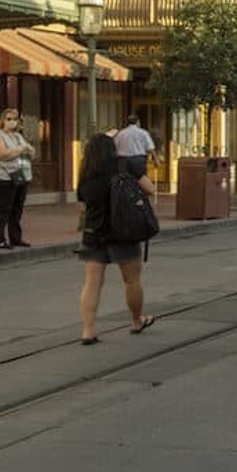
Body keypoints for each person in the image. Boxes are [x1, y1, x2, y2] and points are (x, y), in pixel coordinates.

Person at [75, 134, 156, 344]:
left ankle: (88, 330)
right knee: (132, 280)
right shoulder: (124, 164)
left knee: (92, 282)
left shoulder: (86, 172)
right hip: (123, 231)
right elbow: (149, 188)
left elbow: (82, 202)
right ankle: (137, 320)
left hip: (94, 233)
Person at [0, 108, 36, 249]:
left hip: (21, 176)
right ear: (2, 120)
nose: (12, 122)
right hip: (4, 177)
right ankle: (0, 240)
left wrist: (30, 151)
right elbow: (0, 154)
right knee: (4, 209)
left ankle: (16, 238)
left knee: (17, 209)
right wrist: (20, 150)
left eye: (14, 119)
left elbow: (30, 155)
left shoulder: (18, 137)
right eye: (8, 119)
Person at [114, 114, 157, 179]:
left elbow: (114, 147)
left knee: (124, 180)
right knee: (140, 180)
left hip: (123, 161)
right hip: (138, 160)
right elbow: (150, 148)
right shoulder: (143, 133)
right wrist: (156, 159)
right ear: (137, 122)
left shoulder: (121, 133)